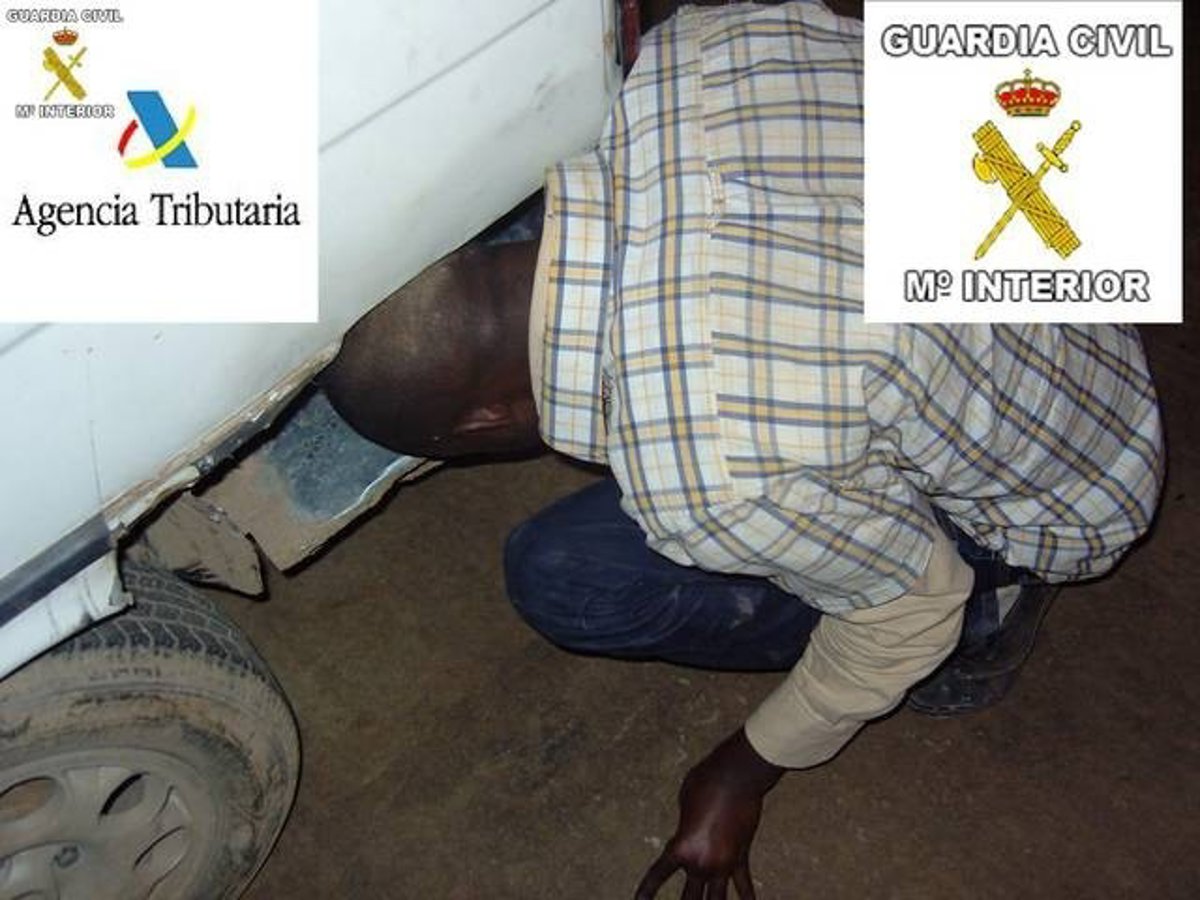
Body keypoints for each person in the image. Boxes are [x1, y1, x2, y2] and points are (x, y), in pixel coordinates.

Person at [321, 2, 1164, 897]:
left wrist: (742, 767)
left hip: (1079, 477)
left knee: (563, 576)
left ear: (487, 419)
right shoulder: (679, 54)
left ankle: (1001, 598)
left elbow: (908, 613)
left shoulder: (708, 475)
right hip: (1059, 259)